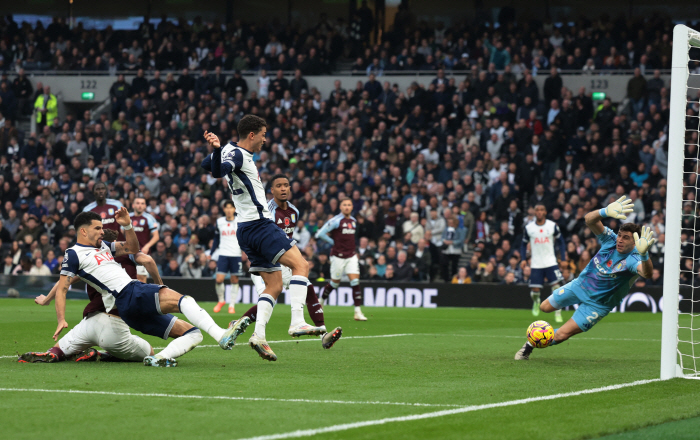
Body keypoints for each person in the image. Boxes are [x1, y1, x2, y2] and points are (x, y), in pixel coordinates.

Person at [52, 210, 248, 367]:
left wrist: (128, 225)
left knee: (194, 333)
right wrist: (61, 318)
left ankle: (160, 357)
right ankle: (221, 335)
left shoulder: (103, 246)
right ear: (83, 231)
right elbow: (62, 287)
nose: (102, 232)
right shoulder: (74, 253)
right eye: (98, 228)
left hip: (127, 309)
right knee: (185, 301)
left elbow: (133, 248)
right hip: (129, 292)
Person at [201, 115, 319, 362]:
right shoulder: (239, 155)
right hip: (260, 224)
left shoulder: (230, 152)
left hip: (244, 229)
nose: (266, 139)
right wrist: (218, 150)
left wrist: (216, 150)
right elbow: (218, 170)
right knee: (301, 265)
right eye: (263, 134)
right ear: (252, 135)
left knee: (274, 285)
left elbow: (209, 166)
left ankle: (259, 336)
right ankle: (298, 321)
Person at [515, 196, 655, 360]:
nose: (620, 240)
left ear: (635, 242)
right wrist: (605, 211)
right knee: (544, 307)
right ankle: (535, 338)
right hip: (579, 286)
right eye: (620, 235)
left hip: (597, 305)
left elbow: (647, 274)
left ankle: (530, 345)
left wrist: (644, 254)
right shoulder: (610, 239)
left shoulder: (633, 258)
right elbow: (589, 220)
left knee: (561, 335)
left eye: (626, 238)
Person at [18, 229, 163, 364]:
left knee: (59, 349)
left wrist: (46, 299)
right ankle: (104, 354)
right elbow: (148, 260)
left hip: (90, 322)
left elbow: (63, 283)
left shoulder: (89, 261)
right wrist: (161, 288)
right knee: (148, 350)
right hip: (114, 323)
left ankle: (54, 352)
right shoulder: (126, 255)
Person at [232, 174, 342, 349]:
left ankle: (238, 324)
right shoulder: (267, 210)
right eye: (279, 186)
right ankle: (315, 330)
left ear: (290, 188)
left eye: (286, 185)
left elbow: (287, 237)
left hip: (286, 259)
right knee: (291, 290)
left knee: (278, 295)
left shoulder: (294, 211)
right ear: (272, 190)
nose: (283, 188)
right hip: (272, 259)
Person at [315, 198, 367, 321]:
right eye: (344, 205)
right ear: (340, 207)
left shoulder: (353, 221)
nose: (347, 207)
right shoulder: (336, 221)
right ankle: (320, 301)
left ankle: (357, 312)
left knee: (355, 282)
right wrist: (333, 241)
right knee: (335, 283)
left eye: (349, 205)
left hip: (351, 255)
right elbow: (320, 234)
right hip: (338, 256)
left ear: (352, 207)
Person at [520, 204, 566, 323]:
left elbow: (561, 242)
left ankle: (557, 312)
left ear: (545, 212)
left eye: (541, 210)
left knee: (557, 287)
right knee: (535, 291)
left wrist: (564, 258)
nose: (539, 212)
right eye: (537, 210)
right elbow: (523, 244)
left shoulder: (552, 226)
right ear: (534, 212)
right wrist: (523, 258)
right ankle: (536, 301)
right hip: (536, 263)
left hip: (550, 261)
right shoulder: (529, 228)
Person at [211, 200, 242, 314]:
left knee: (234, 279)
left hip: (235, 254)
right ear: (224, 209)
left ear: (234, 209)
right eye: (227, 208)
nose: (229, 210)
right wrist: (212, 252)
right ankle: (221, 301)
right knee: (219, 279)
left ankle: (232, 305)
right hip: (223, 253)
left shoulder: (239, 221)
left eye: (231, 208)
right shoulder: (219, 222)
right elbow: (216, 238)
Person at [129, 197, 160, 283]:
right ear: (133, 205)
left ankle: (140, 297)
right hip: (127, 253)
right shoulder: (128, 217)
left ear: (145, 206)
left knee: (141, 279)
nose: (140, 205)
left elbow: (156, 236)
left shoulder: (149, 218)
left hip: (142, 253)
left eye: (142, 203)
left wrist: (147, 246)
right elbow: (121, 232)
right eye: (138, 203)